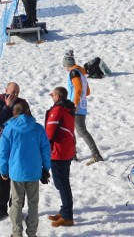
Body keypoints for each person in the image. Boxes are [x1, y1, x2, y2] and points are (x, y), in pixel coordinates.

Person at [0, 100, 51, 237]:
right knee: (33, 203)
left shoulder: (9, 129)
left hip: (16, 173)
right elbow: (45, 149)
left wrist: (3, 170)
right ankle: (32, 233)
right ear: (28, 110)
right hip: (34, 172)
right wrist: (46, 168)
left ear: (14, 113)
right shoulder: (38, 128)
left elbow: (3, 151)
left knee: (16, 202)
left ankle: (17, 233)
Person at [0, 82, 31, 222]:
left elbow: (27, 121)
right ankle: (0, 209)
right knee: (1, 177)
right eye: (12, 91)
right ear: (6, 90)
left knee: (18, 180)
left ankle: (16, 209)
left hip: (19, 148)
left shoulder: (22, 103)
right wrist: (7, 107)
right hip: (3, 148)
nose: (14, 95)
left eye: (17, 92)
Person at [63, 51, 103, 165]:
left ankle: (96, 154)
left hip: (76, 107)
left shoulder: (73, 73)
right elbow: (87, 91)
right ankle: (72, 154)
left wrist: (74, 103)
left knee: (81, 131)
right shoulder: (81, 73)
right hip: (82, 106)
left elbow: (78, 88)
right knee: (72, 130)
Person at [45, 86, 76, 227]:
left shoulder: (57, 110)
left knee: (61, 184)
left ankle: (67, 216)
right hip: (67, 150)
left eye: (53, 96)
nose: (52, 98)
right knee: (63, 183)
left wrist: (43, 148)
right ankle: (64, 211)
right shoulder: (68, 110)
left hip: (58, 152)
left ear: (57, 96)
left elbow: (49, 133)